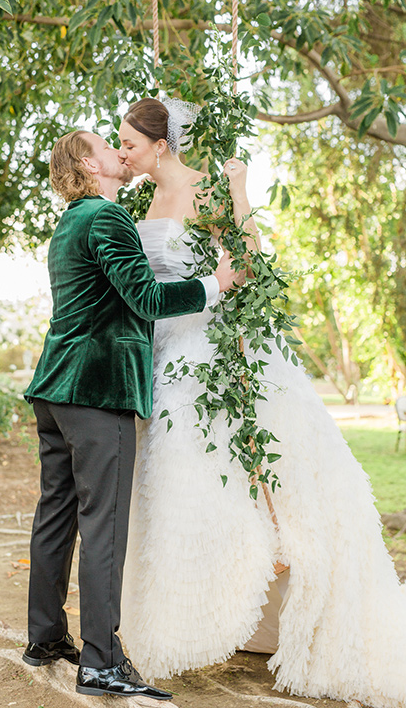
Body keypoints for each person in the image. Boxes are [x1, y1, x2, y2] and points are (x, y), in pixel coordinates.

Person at [117, 97, 406, 708]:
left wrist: (241, 187)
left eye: (131, 144)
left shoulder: (207, 188)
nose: (123, 153)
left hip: (209, 350)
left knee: (234, 474)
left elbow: (245, 262)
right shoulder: (142, 202)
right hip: (164, 354)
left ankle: (266, 592)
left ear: (161, 145)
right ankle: (184, 624)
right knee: (178, 486)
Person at [21, 128, 243, 700]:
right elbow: (145, 299)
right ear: (87, 166)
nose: (118, 152)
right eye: (106, 146)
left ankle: (45, 637)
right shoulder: (106, 217)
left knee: (56, 516)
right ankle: (100, 662)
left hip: (55, 389)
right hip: (97, 391)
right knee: (104, 526)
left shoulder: (71, 219)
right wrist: (214, 285)